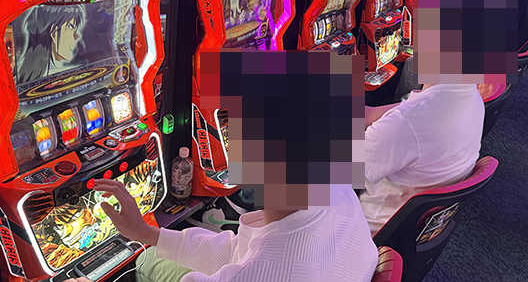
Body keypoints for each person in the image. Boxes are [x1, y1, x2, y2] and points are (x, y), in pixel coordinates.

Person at [64, 50, 378, 282]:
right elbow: (240, 249)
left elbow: (251, 264)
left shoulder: (261, 271)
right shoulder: (339, 190)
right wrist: (148, 232)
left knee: (146, 263)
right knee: (155, 248)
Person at [361, 83, 485, 236]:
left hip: (367, 227)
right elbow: (370, 115)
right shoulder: (468, 95)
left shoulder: (408, 121)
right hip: (407, 228)